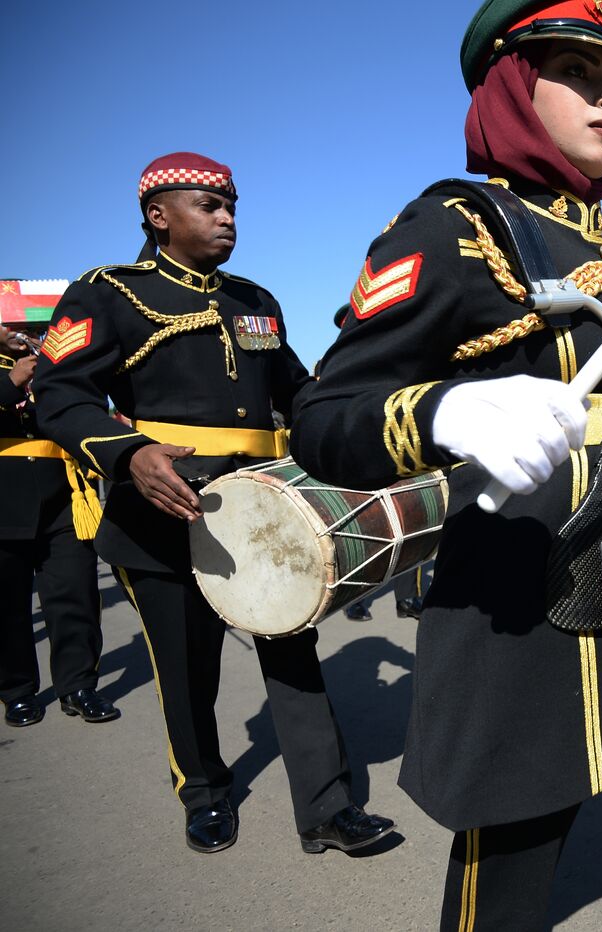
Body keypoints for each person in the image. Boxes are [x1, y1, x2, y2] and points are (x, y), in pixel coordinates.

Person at [288, 5, 602, 928]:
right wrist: (447, 409)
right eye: (577, 69)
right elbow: (323, 419)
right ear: (513, 83)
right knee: (510, 872)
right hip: (526, 606)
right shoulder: (453, 224)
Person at [32, 152, 393, 855]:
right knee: (187, 667)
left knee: (292, 655)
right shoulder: (109, 292)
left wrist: (361, 393)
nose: (227, 217)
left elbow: (299, 393)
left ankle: (326, 807)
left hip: (262, 514)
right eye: (209, 205)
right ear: (158, 216)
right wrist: (128, 452)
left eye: (231, 206)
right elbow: (60, 393)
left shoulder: (257, 302)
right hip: (158, 513)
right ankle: (203, 791)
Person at [1, 324, 115, 727]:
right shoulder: (12, 372)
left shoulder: (48, 364)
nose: (12, 331)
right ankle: (16, 692)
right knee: (8, 606)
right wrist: (12, 383)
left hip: (64, 497)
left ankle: (79, 686)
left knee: (74, 597)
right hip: (5, 500)